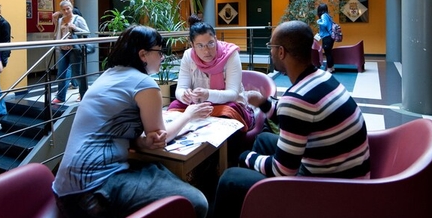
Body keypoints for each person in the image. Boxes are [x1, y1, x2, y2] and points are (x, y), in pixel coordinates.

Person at [210, 21, 371, 218]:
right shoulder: (321, 77)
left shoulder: (297, 99)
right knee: (262, 140)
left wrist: (246, 157)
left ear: (281, 52)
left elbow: (283, 171)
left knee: (230, 177)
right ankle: (259, 205)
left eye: (271, 47)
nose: (269, 51)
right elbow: (295, 119)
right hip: (343, 171)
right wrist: (262, 102)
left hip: (331, 190)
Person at [53, 25, 213, 218]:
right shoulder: (144, 83)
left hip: (66, 189)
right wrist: (189, 114)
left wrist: (140, 141)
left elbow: (111, 131)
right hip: (94, 189)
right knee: (197, 202)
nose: (163, 57)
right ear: (143, 55)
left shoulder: (109, 74)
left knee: (158, 170)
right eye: (159, 51)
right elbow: (162, 138)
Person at [169, 14, 254, 157]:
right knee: (174, 107)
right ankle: (184, 153)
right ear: (192, 45)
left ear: (216, 39)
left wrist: (208, 94)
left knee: (229, 112)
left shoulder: (230, 54)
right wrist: (185, 95)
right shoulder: (188, 56)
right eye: (200, 46)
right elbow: (181, 88)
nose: (206, 51)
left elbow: (232, 93)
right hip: (200, 102)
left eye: (210, 43)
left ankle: (223, 157)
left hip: (227, 103)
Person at [51, 0, 89, 104]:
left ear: (71, 8)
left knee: (77, 74)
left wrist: (75, 28)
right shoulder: (60, 20)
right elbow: (58, 34)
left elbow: (87, 32)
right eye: (63, 10)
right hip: (63, 50)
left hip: (74, 50)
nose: (66, 11)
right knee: (61, 73)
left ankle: (83, 95)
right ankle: (60, 97)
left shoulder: (78, 19)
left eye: (68, 9)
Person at [316, 3, 336, 73]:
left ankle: (329, 68)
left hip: (327, 37)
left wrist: (318, 21)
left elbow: (325, 24)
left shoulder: (324, 16)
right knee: (329, 52)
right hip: (330, 37)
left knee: (327, 53)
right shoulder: (328, 15)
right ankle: (332, 67)